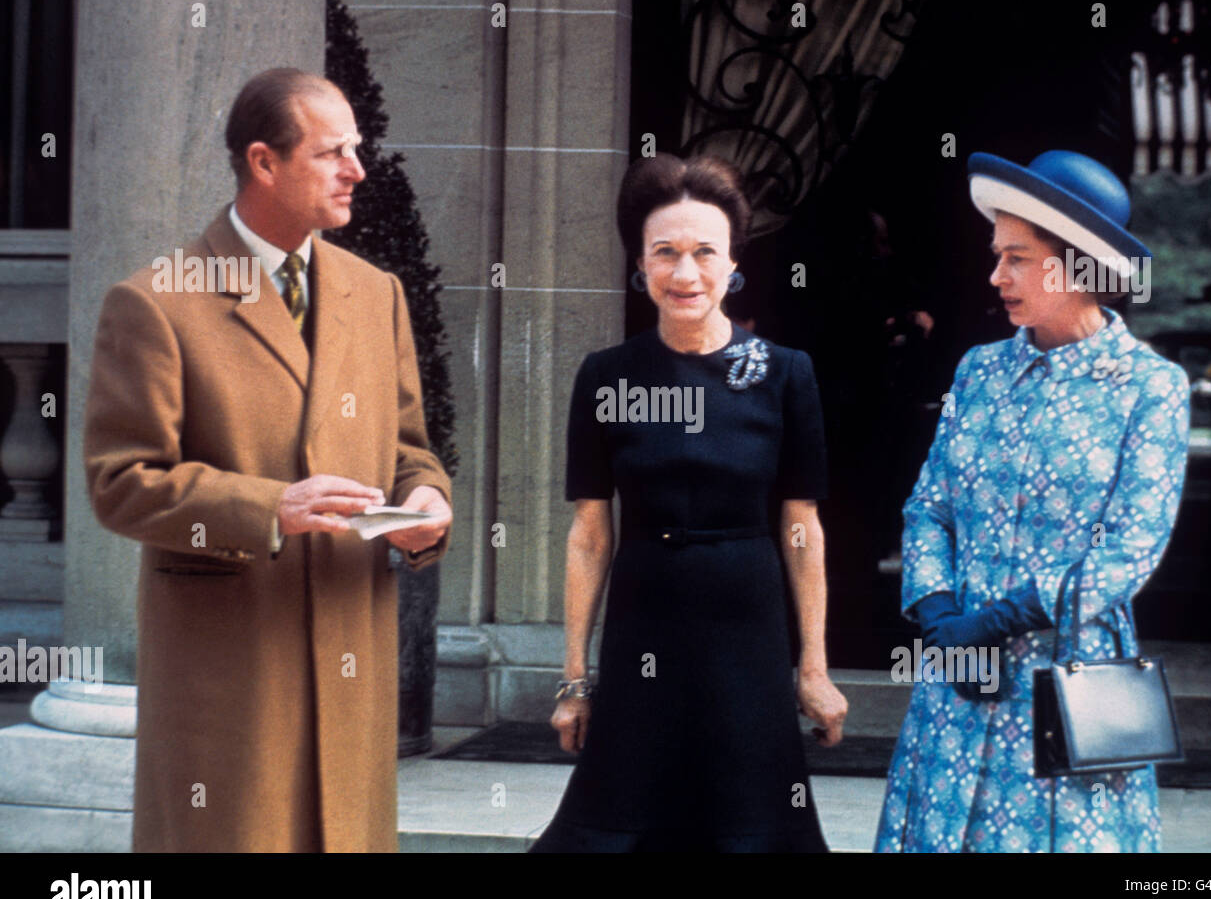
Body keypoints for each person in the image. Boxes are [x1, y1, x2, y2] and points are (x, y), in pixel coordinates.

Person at [83, 68, 453, 852]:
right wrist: (266, 509)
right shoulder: (156, 302)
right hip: (233, 671)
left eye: (357, 148)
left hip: (352, 656)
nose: (358, 168)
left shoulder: (375, 292)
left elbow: (411, 452)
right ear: (263, 162)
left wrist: (426, 505)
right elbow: (120, 482)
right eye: (332, 153)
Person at [874, 150, 1190, 852]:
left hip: (1070, 679)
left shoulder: (1149, 387)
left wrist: (1006, 616)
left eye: (1017, 257)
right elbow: (929, 507)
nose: (996, 276)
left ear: (1078, 263)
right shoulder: (981, 370)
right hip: (960, 669)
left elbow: (1130, 548)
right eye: (997, 255)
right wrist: (943, 615)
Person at [531, 153, 848, 852]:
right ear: (639, 266)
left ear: (733, 262)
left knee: (750, 823)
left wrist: (814, 668)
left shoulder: (785, 373)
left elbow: (803, 528)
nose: (685, 273)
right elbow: (589, 533)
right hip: (644, 627)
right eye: (664, 253)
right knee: (617, 825)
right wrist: (574, 679)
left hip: (748, 631)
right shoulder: (606, 376)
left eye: (705, 252)